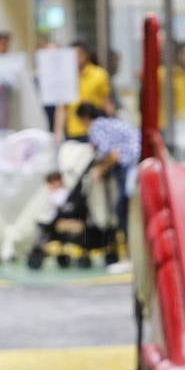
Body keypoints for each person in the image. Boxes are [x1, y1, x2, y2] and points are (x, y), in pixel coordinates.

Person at [74, 101, 140, 259]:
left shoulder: (96, 128)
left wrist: (100, 169)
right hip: (139, 161)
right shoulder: (111, 122)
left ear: (85, 118)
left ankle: (131, 252)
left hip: (129, 165)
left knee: (122, 210)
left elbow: (113, 155)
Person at [62, 42, 110, 141]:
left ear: (85, 55)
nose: (75, 58)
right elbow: (63, 107)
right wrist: (58, 132)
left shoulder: (99, 74)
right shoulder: (66, 77)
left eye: (78, 54)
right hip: (72, 130)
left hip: (95, 129)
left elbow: (106, 102)